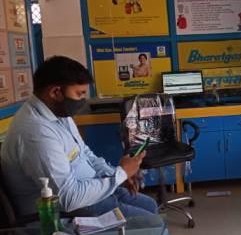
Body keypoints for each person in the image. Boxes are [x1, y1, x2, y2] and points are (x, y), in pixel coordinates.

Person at [1, 56, 158, 218]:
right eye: (79, 94)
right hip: (65, 209)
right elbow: (69, 199)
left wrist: (116, 175)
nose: (83, 101)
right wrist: (121, 174)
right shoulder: (35, 133)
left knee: (150, 206)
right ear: (56, 92)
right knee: (150, 221)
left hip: (90, 189)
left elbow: (84, 153)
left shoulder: (59, 113)